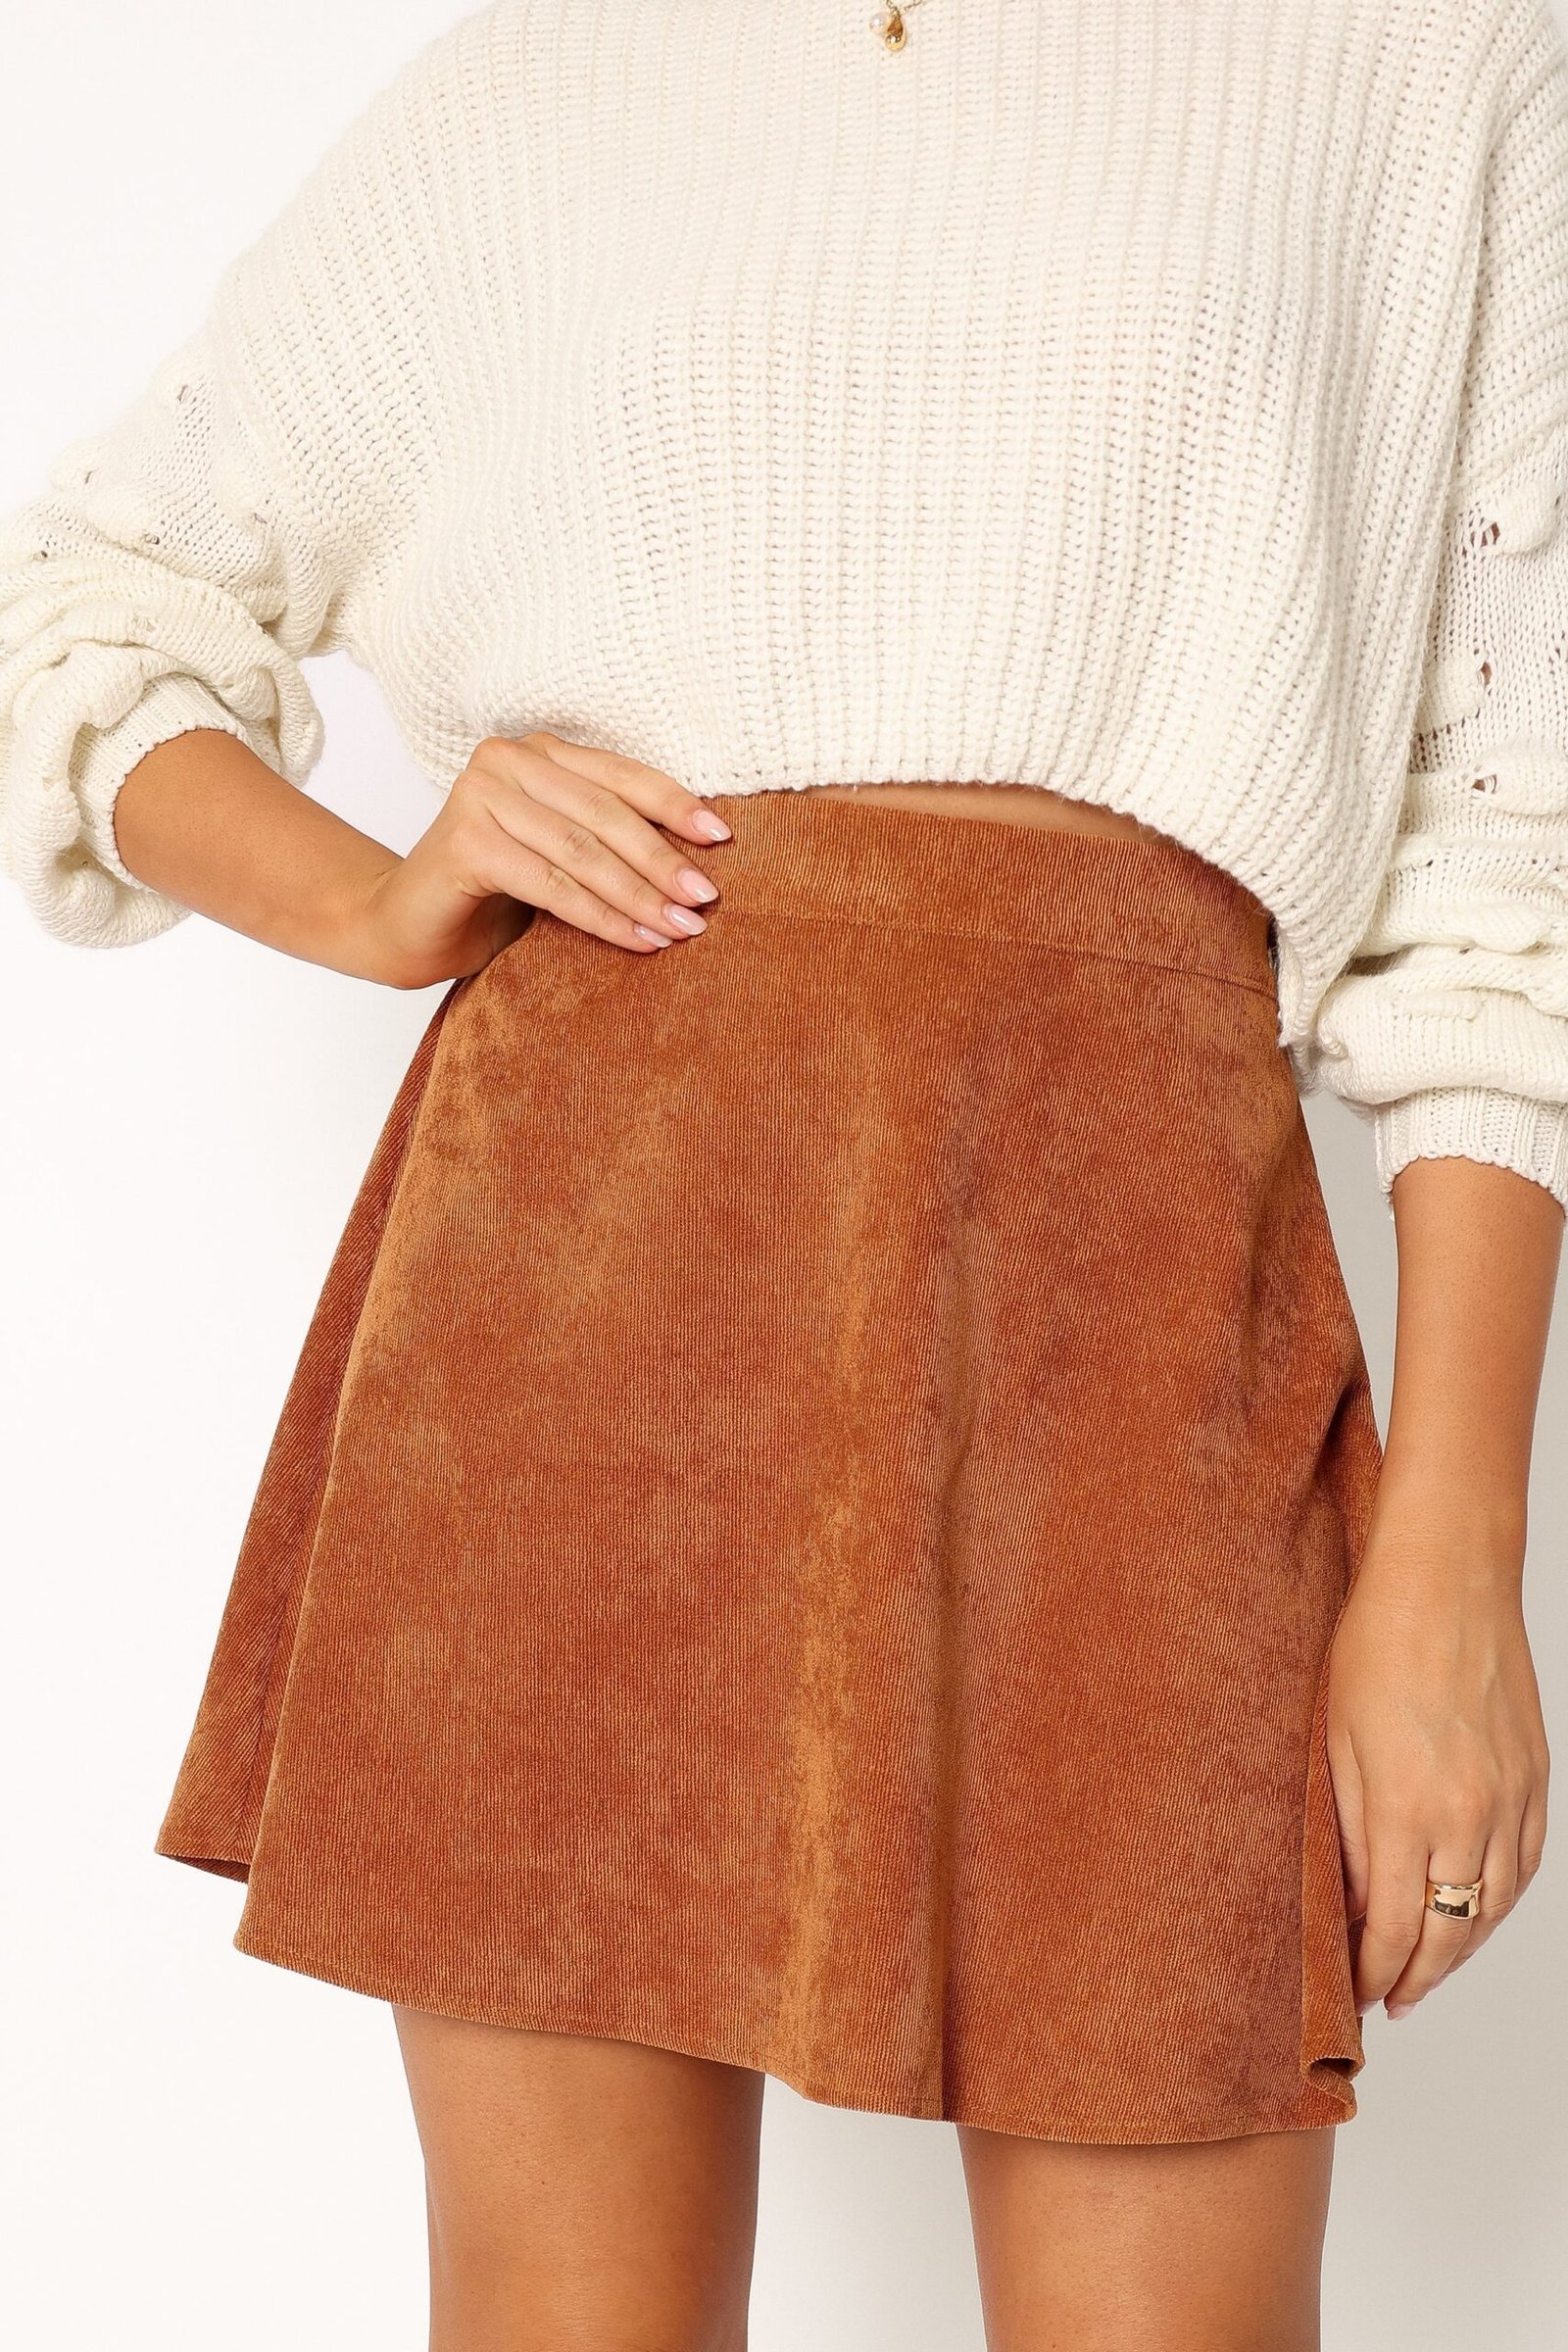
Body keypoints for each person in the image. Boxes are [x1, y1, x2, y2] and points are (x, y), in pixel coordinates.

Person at [3, 4, 1564, 2346]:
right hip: (586, 1274)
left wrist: (1451, 1564)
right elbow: (87, 595)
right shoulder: (554, 74)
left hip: (1136, 1302)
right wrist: (365, 898)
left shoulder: (1425, 50)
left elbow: (1503, 861)